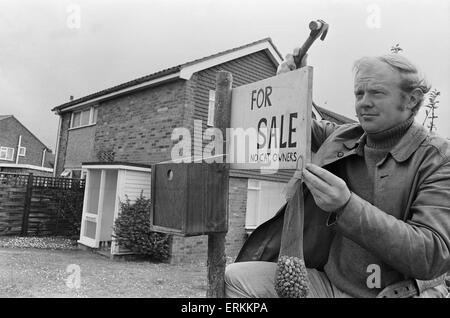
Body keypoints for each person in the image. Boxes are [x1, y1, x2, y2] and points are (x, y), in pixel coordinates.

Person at [224, 49, 450, 298]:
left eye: (376, 92)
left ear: (411, 99)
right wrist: (287, 85)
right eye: (359, 93)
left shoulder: (438, 159)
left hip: (391, 293)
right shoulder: (344, 136)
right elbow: (297, 124)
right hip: (328, 285)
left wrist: (346, 206)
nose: (364, 102)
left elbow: (432, 254)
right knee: (234, 278)